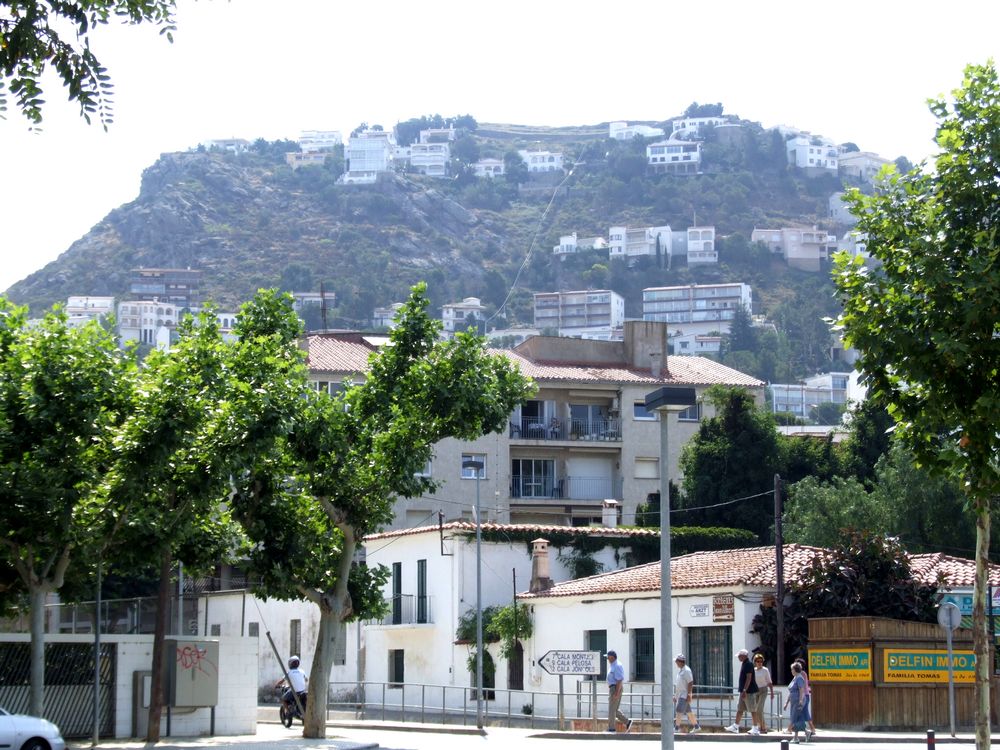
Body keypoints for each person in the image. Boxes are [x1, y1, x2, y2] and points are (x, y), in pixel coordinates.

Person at [724, 648, 759, 733]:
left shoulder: (748, 664)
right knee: (740, 709)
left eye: (739, 656)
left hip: (748, 691)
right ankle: (735, 726)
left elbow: (749, 678)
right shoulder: (744, 663)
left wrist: (744, 690)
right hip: (743, 691)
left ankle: (755, 728)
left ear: (744, 656)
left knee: (753, 709)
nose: (738, 657)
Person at [672, 654, 701, 734]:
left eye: (676, 661)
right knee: (689, 712)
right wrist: (676, 696)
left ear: (680, 662)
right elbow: (679, 685)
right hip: (681, 694)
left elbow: (690, 682)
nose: (676, 663)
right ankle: (696, 726)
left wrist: (689, 694)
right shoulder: (681, 670)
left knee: (678, 710)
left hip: (684, 695)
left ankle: (676, 728)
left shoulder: (687, 670)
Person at [605, 650, 632, 733]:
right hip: (613, 688)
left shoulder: (617, 665)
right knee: (614, 710)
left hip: (615, 688)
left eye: (608, 657)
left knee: (611, 709)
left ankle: (611, 728)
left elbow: (619, 680)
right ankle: (627, 722)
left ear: (612, 657)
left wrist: (616, 692)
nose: (607, 659)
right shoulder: (613, 665)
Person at [784, 662, 810, 743]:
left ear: (795, 670)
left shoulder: (799, 678)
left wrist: (801, 700)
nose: (791, 671)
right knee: (796, 718)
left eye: (792, 669)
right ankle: (802, 734)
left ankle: (798, 736)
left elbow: (801, 689)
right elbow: (791, 691)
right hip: (794, 701)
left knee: (794, 718)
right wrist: (786, 702)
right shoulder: (795, 678)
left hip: (798, 701)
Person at [751, 653, 774, 734]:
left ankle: (762, 727)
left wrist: (772, 693)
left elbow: (769, 682)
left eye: (761, 661)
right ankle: (762, 727)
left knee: (759, 709)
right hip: (755, 691)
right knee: (756, 710)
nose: (759, 663)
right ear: (755, 662)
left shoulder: (765, 670)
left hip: (763, 690)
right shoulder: (753, 670)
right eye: (758, 661)